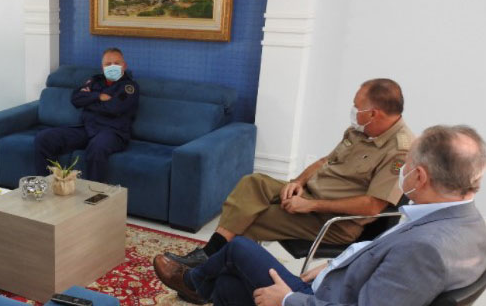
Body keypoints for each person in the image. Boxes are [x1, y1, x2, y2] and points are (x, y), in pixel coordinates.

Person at [151, 125, 486, 306]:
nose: (403, 171)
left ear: (420, 176)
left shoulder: (426, 250)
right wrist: (335, 265)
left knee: (239, 249)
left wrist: (288, 302)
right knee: (226, 286)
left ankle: (194, 282)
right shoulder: (467, 225)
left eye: (408, 164)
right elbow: (386, 264)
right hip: (336, 296)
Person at [165, 78, 414, 268]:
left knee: (250, 219)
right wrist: (299, 182)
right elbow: (325, 161)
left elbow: (372, 206)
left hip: (332, 221)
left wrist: (311, 205)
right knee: (253, 183)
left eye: (357, 107)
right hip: (310, 195)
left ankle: (203, 280)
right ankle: (209, 257)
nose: (353, 110)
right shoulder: (361, 130)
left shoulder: (400, 151)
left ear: (374, 113)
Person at [33, 48, 140, 183]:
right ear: (102, 67)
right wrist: (98, 96)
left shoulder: (129, 87)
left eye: (116, 63)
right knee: (44, 138)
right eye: (108, 64)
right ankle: (48, 185)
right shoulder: (95, 80)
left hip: (113, 133)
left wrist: (88, 101)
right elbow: (76, 99)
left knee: (96, 148)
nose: (112, 67)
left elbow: (113, 108)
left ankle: (94, 193)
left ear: (124, 65)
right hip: (87, 129)